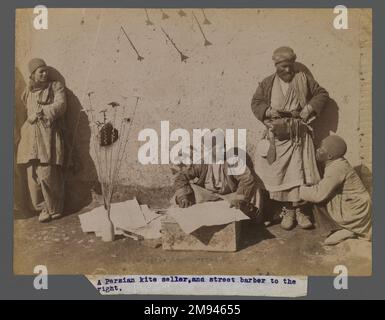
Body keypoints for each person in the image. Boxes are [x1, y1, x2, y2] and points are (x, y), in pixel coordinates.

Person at [251, 46, 329, 230]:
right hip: (277, 136)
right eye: (283, 66)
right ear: (276, 65)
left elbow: (322, 94)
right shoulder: (267, 83)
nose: (287, 70)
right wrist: (268, 111)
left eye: (290, 66)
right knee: (280, 175)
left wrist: (308, 109)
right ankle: (287, 211)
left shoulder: (303, 79)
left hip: (299, 136)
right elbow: (256, 102)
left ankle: (301, 211)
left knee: (300, 173)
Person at [16, 58, 67, 222]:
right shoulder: (27, 92)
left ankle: (54, 207)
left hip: (48, 135)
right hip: (30, 136)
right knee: (33, 174)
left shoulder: (55, 86)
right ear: (33, 74)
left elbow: (61, 105)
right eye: (41, 71)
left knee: (47, 172)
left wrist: (41, 113)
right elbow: (22, 113)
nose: (45, 74)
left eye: (46, 70)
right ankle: (41, 208)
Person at [299, 135, 372, 245]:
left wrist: (299, 190)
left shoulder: (336, 168)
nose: (317, 150)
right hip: (356, 206)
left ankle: (343, 229)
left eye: (321, 149)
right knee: (317, 191)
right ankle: (347, 229)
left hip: (356, 211)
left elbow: (318, 195)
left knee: (316, 198)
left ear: (329, 156)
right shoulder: (337, 162)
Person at [172, 131, 258, 215]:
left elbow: (247, 179)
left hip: (229, 196)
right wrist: (183, 196)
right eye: (219, 148)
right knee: (181, 195)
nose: (224, 150)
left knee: (255, 193)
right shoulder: (202, 163)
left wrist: (239, 199)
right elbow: (181, 177)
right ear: (209, 150)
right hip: (208, 196)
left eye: (224, 146)